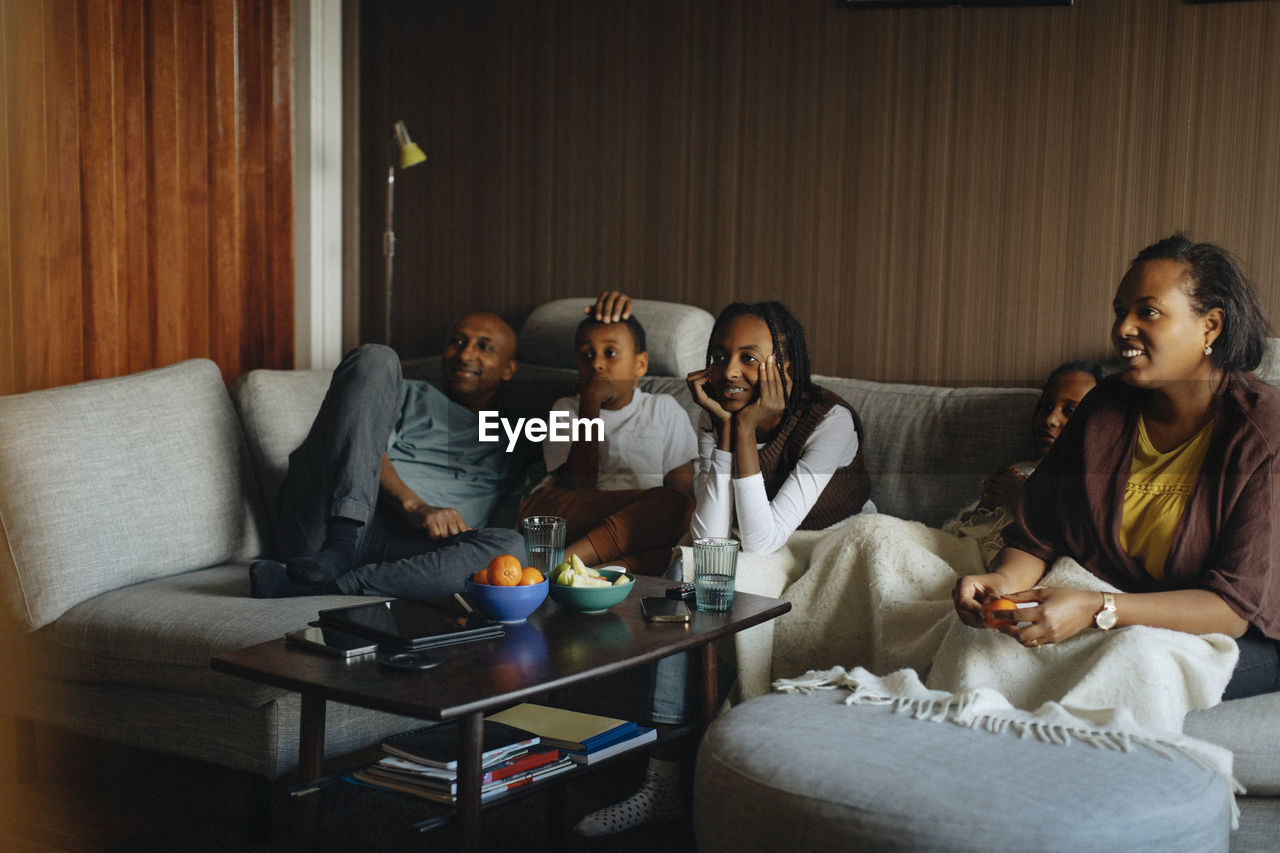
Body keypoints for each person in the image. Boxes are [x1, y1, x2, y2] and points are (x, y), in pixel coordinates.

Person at [574, 297, 875, 837]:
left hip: (826, 542)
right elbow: (710, 533)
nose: (729, 370)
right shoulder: (714, 408)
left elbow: (761, 538)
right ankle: (662, 780)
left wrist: (744, 430)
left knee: (711, 570)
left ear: (785, 364)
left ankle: (705, 783)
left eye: (748, 357)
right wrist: (723, 427)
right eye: (719, 354)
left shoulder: (832, 421)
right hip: (758, 542)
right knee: (690, 566)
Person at [954, 234, 1280, 702]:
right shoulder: (1104, 407)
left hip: (1246, 638)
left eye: (1147, 311)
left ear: (1210, 327)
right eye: (1119, 310)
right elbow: (1036, 533)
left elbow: (1233, 609)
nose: (1123, 327)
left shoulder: (1264, 431)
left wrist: (1096, 609)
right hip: (1116, 607)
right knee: (981, 640)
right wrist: (999, 585)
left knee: (1129, 659)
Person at [249, 311, 527, 600]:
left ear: (509, 369)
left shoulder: (519, 435)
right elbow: (360, 447)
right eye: (457, 341)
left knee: (512, 550)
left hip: (408, 548)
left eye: (485, 347)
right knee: (376, 357)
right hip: (329, 522)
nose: (465, 354)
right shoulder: (410, 395)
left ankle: (325, 586)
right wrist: (414, 505)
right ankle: (340, 545)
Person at [516, 308, 697, 575]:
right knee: (663, 518)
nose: (597, 364)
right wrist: (590, 402)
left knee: (681, 512)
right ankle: (557, 567)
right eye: (587, 355)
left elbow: (682, 492)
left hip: (638, 520)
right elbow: (579, 482)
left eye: (610, 353)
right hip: (571, 513)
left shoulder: (664, 409)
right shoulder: (565, 408)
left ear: (641, 365)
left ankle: (595, 570)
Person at [942, 360, 1103, 564]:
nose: (1050, 420)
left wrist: (1024, 499)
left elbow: (1085, 545)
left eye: (1070, 411)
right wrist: (986, 506)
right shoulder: (1019, 471)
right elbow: (955, 534)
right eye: (1047, 406)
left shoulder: (1092, 484)